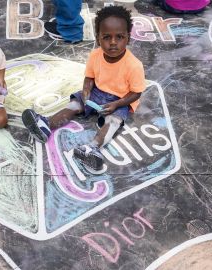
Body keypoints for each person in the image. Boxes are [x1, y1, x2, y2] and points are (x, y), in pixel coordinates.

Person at [22, 6, 145, 171]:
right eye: (107, 37)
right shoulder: (95, 55)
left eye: (120, 37)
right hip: (97, 92)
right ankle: (46, 125)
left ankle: (92, 148)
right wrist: (86, 91)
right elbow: (90, 77)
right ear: (98, 38)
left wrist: (117, 104)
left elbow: (136, 92)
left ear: (128, 38)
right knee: (74, 104)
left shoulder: (134, 65)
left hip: (120, 100)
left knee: (113, 122)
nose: (113, 42)